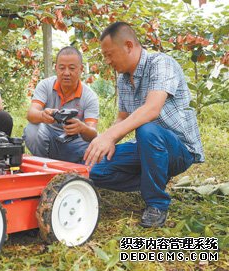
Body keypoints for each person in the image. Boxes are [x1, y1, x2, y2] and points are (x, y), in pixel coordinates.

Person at [84, 22, 204, 227]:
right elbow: (122, 117)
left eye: (109, 54)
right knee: (95, 170)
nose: (107, 61)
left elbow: (152, 109)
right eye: (104, 56)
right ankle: (153, 181)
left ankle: (156, 203)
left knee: (147, 129)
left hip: (179, 149)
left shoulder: (161, 63)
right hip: (147, 147)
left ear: (129, 46)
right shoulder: (123, 80)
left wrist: (110, 136)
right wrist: (108, 140)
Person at [24, 46, 99, 163]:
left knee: (93, 148)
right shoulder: (45, 85)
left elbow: (93, 133)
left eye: (72, 68)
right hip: (48, 136)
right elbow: (31, 114)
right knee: (32, 129)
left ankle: (74, 170)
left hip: (74, 142)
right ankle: (43, 165)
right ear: (56, 68)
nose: (66, 73)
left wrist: (82, 128)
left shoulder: (90, 96)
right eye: (62, 68)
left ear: (81, 69)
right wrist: (43, 115)